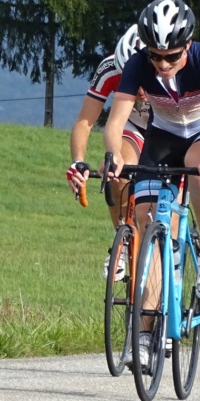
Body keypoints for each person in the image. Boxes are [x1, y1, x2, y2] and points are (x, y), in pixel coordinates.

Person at [104, 0, 200, 367]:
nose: (162, 64)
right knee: (147, 224)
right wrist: (114, 154)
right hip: (162, 138)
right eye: (155, 55)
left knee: (197, 163)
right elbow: (115, 124)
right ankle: (144, 336)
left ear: (187, 46)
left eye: (171, 56)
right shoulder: (137, 65)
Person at [66, 23, 151, 279]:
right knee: (117, 167)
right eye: (129, 81)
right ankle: (122, 239)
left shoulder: (169, 66)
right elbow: (85, 121)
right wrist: (78, 162)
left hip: (170, 126)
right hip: (133, 125)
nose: (138, 92)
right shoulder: (109, 68)